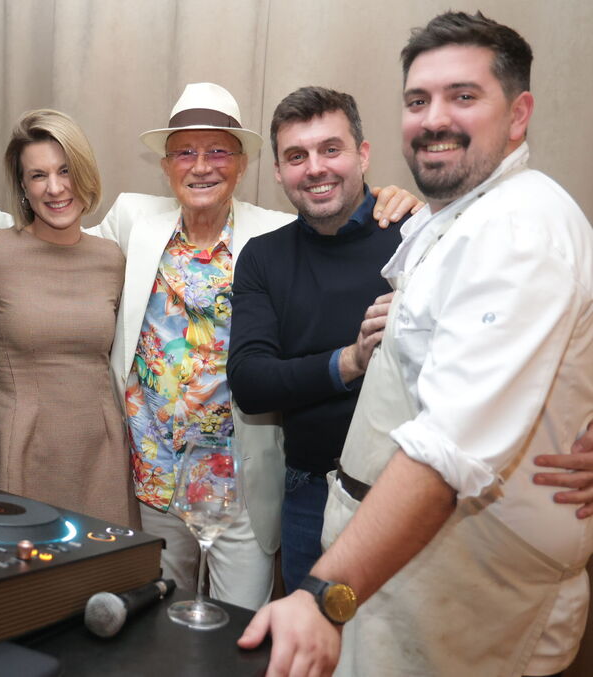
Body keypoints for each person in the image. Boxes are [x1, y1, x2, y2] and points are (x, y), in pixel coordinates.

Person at [238, 11, 593, 677]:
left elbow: (444, 453)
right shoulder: (447, 220)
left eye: (464, 96)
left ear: (519, 114)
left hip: (468, 588)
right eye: (417, 100)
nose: (435, 119)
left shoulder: (518, 232)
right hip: (399, 570)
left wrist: (324, 597)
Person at [89, 82, 420, 609]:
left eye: (219, 151)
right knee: (156, 617)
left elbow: (336, 209)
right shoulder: (133, 219)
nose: (202, 166)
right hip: (154, 474)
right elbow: (58, 241)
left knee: (239, 626)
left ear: (243, 165)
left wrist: (400, 204)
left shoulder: (277, 232)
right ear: (166, 165)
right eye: (185, 152)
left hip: (241, 479)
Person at [228, 87, 415, 594]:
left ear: (363, 154)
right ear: (278, 171)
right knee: (309, 635)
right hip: (309, 491)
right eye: (297, 156)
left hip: (408, 489)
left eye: (331, 149)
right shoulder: (262, 257)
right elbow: (251, 383)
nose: (315, 168)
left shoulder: (415, 236)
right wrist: (351, 360)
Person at [0, 109, 139, 528]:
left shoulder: (112, 259)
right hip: (17, 452)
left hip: (99, 459)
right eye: (38, 175)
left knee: (102, 569)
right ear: (23, 187)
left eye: (65, 170)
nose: (55, 188)